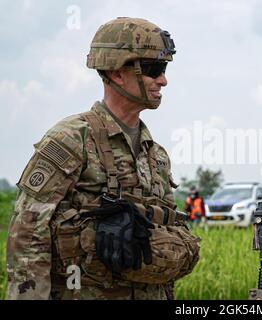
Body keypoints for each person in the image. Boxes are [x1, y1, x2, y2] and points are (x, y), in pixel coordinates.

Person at [7, 17, 200, 300]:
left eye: (164, 69)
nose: (163, 79)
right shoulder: (72, 139)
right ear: (116, 72)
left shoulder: (156, 155)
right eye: (153, 69)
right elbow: (27, 233)